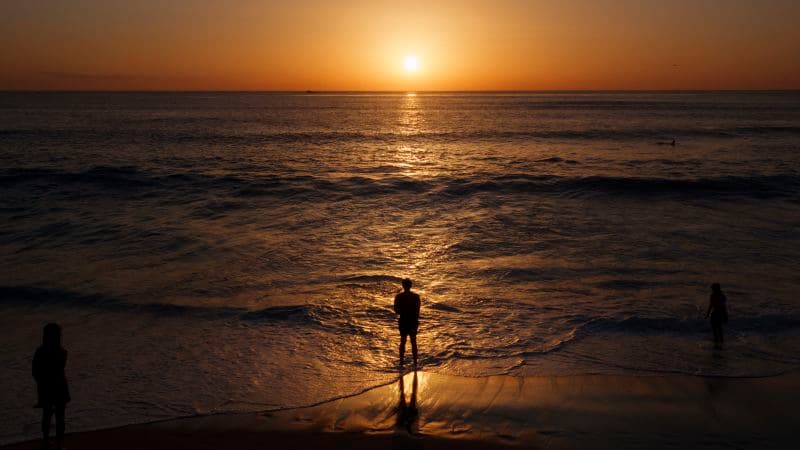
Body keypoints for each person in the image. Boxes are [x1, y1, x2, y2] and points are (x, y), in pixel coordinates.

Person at [33, 323, 70, 450]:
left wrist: (41, 385)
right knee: (60, 417)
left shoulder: (40, 351)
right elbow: (60, 369)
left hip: (46, 387)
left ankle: (46, 441)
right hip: (60, 386)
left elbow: (35, 372)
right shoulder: (62, 352)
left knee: (47, 415)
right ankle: (59, 445)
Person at [394, 278, 420, 367]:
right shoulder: (416, 297)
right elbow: (417, 311)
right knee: (413, 341)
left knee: (403, 341)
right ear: (410, 286)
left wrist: (403, 310)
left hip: (403, 320)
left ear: (403, 286)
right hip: (413, 321)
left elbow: (396, 310)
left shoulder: (398, 297)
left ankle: (401, 363)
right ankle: (415, 363)